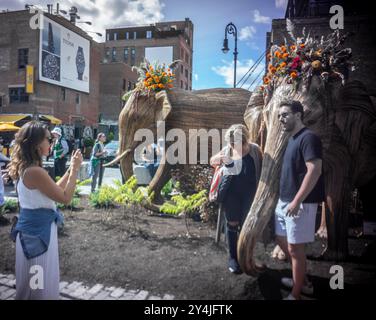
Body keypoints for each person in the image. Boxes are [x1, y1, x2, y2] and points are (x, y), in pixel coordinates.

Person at [8, 121, 83, 300]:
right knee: (37, 290)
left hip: (34, 234)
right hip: (37, 238)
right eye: (48, 139)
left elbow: (53, 190)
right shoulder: (35, 171)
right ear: (35, 143)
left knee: (34, 288)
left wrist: (70, 169)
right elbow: (65, 198)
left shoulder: (29, 169)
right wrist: (74, 171)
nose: (51, 142)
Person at [275, 100, 324, 300]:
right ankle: (301, 280)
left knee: (296, 249)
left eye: (285, 114)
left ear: (298, 115)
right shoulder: (291, 139)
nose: (281, 119)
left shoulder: (309, 138)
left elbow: (315, 170)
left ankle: (298, 293)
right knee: (281, 239)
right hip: (284, 201)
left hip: (300, 203)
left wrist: (296, 201)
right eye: (279, 116)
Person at [210, 124, 262, 274]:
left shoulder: (255, 150)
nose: (234, 146)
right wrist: (219, 158)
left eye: (238, 143)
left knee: (248, 225)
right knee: (232, 224)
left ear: (246, 140)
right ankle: (233, 258)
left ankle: (247, 257)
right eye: (231, 143)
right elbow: (212, 161)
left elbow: (264, 169)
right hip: (231, 194)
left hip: (250, 194)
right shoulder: (227, 150)